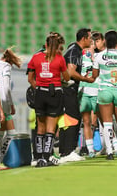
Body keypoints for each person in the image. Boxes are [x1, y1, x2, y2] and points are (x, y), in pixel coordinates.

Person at [28, 33, 70, 167]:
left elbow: (30, 79)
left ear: (45, 44)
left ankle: (38, 158)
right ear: (58, 46)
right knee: (51, 129)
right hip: (55, 93)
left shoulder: (36, 57)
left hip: (40, 93)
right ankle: (47, 157)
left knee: (40, 128)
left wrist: (39, 88)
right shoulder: (59, 59)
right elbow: (67, 78)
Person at [91, 30, 117, 160]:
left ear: (105, 41)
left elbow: (94, 75)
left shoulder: (99, 56)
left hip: (105, 91)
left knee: (107, 123)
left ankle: (110, 152)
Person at [59, 28, 94, 163]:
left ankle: (67, 150)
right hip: (68, 90)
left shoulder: (75, 50)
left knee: (73, 119)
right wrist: (86, 79)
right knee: (72, 119)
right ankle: (67, 151)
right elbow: (71, 72)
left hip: (70, 90)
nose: (91, 40)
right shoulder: (74, 51)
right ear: (84, 38)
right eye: (90, 38)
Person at [0, 48, 21, 168]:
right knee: (11, 133)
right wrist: (10, 104)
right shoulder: (6, 67)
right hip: (3, 103)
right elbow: (6, 88)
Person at [78, 41, 98, 158]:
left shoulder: (99, 58)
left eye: (92, 45)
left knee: (96, 121)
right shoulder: (80, 58)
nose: (90, 47)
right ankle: (89, 149)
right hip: (84, 91)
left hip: (96, 91)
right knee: (86, 122)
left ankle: (110, 147)